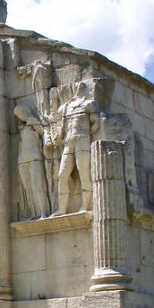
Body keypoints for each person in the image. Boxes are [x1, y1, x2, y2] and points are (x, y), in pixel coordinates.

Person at [54, 80, 100, 215]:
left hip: (82, 139)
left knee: (83, 171)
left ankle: (85, 206)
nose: (78, 86)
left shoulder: (88, 104)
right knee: (62, 175)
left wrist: (87, 135)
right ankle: (62, 208)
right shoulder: (65, 107)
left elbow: (96, 123)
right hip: (69, 141)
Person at [13, 103, 51, 219]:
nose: (20, 116)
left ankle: (43, 212)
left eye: (20, 113)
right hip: (23, 158)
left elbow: (43, 133)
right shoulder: (22, 127)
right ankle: (34, 212)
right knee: (27, 187)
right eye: (18, 115)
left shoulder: (33, 121)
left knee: (37, 183)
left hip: (34, 155)